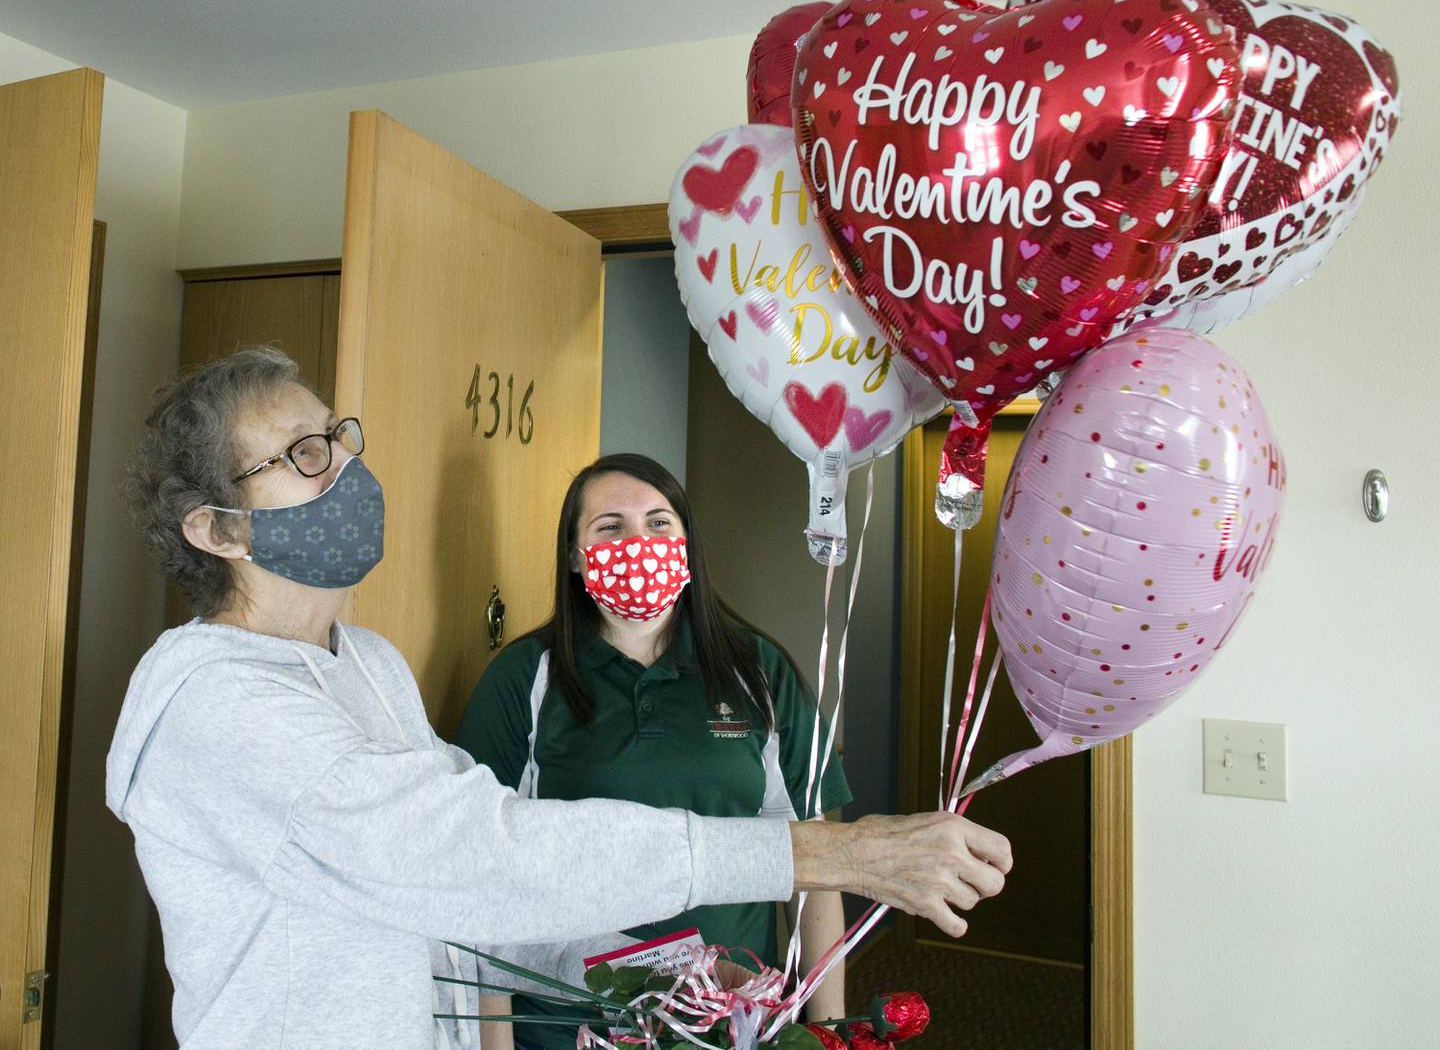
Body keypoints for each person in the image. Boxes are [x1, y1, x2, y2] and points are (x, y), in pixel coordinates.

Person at [109, 347, 1012, 1050]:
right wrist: (824, 851)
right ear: (218, 527)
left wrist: (651, 977)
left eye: (339, 437)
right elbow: (481, 855)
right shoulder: (217, 708)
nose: (345, 466)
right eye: (305, 455)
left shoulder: (368, 663)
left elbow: (460, 912)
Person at [455, 454, 854, 1050]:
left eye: (658, 522)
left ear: (687, 542)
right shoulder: (524, 678)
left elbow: (817, 867)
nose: (637, 541)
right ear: (574, 555)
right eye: (610, 526)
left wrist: (830, 1031)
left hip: (729, 1023)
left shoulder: (756, 670)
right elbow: (477, 880)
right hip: (566, 1028)